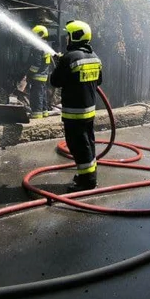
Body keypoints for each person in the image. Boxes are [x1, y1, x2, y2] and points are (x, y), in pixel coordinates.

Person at [49, 20, 103, 192]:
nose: (66, 39)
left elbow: (55, 81)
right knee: (88, 142)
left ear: (75, 36)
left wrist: (60, 64)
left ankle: (87, 181)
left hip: (74, 112)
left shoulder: (70, 58)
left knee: (78, 145)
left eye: (68, 35)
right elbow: (99, 80)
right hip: (89, 111)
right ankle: (89, 175)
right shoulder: (95, 57)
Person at [25, 25, 52, 119]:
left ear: (40, 34)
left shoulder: (38, 47)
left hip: (37, 75)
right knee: (42, 94)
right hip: (44, 75)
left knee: (36, 95)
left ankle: (36, 114)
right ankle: (44, 112)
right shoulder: (46, 45)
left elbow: (36, 64)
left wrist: (29, 74)